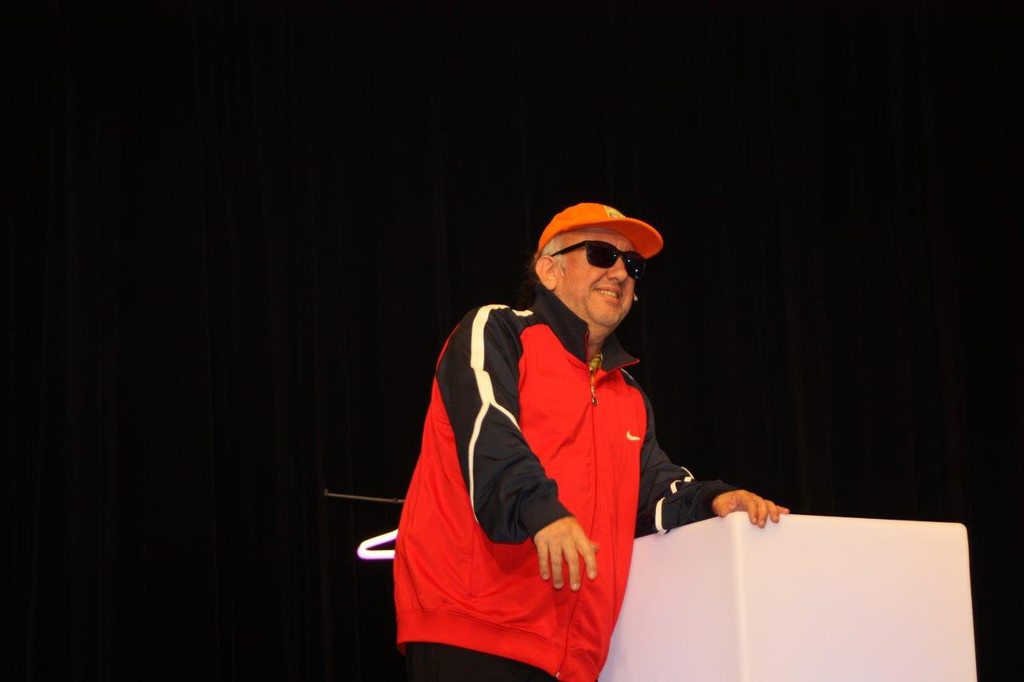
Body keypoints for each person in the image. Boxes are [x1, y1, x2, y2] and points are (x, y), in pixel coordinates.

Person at [393, 202, 789, 681]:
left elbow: (654, 493)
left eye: (633, 265)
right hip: (474, 631)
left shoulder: (629, 395)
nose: (620, 272)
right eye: (602, 254)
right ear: (549, 270)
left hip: (576, 662)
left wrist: (715, 499)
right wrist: (542, 509)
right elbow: (489, 431)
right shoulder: (497, 330)